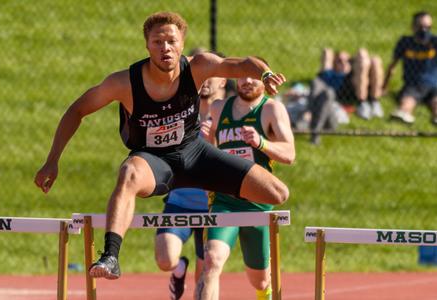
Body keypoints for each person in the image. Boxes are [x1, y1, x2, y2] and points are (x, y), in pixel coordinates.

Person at [34, 11, 289, 280]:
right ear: (147, 45)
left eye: (171, 41)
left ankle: (229, 217)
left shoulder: (198, 66)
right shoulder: (124, 83)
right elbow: (77, 110)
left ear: (181, 43)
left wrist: (265, 73)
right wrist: (53, 159)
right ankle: (110, 255)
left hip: (195, 154)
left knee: (276, 193)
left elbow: (240, 64)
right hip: (153, 161)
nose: (165, 48)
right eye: (157, 42)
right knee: (129, 173)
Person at [196, 74, 295, 300]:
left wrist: (261, 142)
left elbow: (290, 154)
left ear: (264, 82)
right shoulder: (219, 108)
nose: (247, 81)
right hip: (224, 201)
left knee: (259, 279)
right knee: (211, 261)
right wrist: (205, 138)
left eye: (254, 77)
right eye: (242, 77)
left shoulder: (271, 110)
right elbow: (211, 148)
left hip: (257, 204)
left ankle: (265, 293)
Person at [154, 74, 227, 300]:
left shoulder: (229, 113)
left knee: (206, 276)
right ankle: (178, 270)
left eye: (210, 75)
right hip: (180, 202)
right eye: (199, 75)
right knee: (165, 260)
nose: (204, 81)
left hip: (212, 206)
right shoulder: (181, 110)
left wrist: (214, 140)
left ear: (223, 80)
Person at [308, 48, 383, 144]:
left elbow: (362, 68)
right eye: (339, 61)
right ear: (334, 64)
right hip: (335, 96)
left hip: (353, 88)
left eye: (347, 61)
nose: (343, 63)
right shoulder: (329, 75)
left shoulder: (353, 75)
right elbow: (326, 57)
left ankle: (372, 102)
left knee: (370, 57)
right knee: (328, 52)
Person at [384, 11, 437, 125]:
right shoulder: (405, 42)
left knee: (435, 100)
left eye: (428, 27)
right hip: (414, 84)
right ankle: (404, 113)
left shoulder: (435, 42)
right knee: (409, 99)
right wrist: (385, 85)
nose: (424, 31)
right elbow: (392, 66)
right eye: (421, 27)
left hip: (433, 84)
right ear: (413, 27)